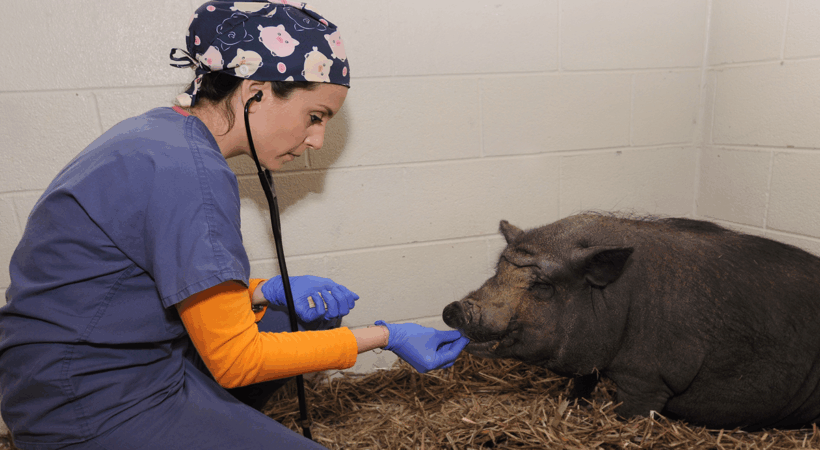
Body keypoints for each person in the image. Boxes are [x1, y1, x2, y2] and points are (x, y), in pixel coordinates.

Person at [0, 2, 470, 449]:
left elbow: (134, 280)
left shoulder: (160, 134)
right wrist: (388, 337)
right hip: (89, 398)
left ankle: (213, 423)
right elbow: (237, 360)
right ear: (255, 92)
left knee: (298, 316)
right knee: (275, 344)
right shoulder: (191, 173)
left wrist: (263, 291)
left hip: (95, 362)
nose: (317, 140)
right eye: (315, 116)